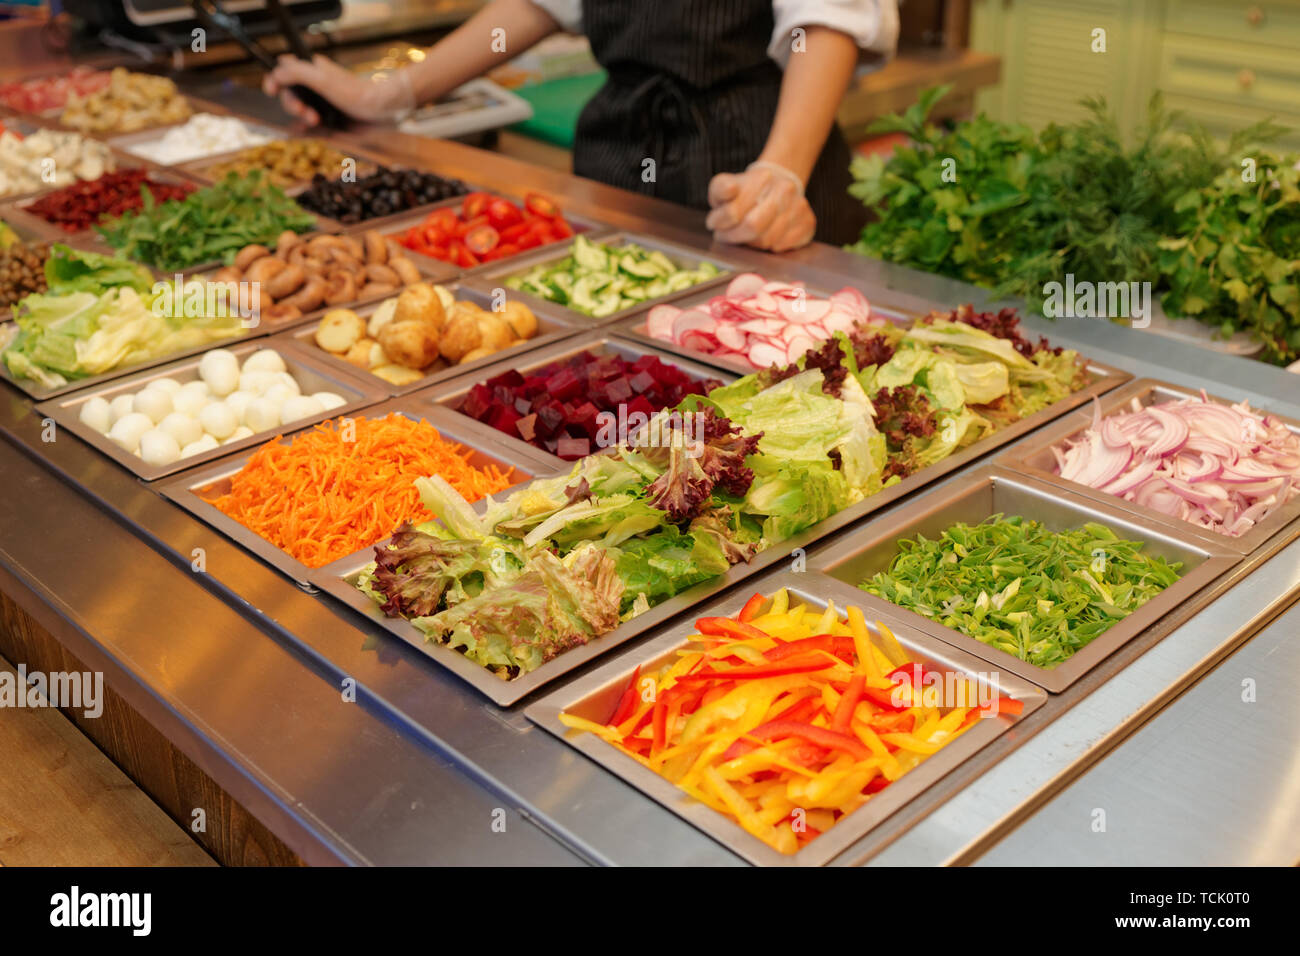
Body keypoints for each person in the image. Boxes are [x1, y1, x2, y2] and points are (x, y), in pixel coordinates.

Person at [265, 0, 899, 253]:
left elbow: (827, 18)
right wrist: (392, 95)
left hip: (755, 155)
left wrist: (781, 172)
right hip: (617, 168)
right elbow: (540, 3)